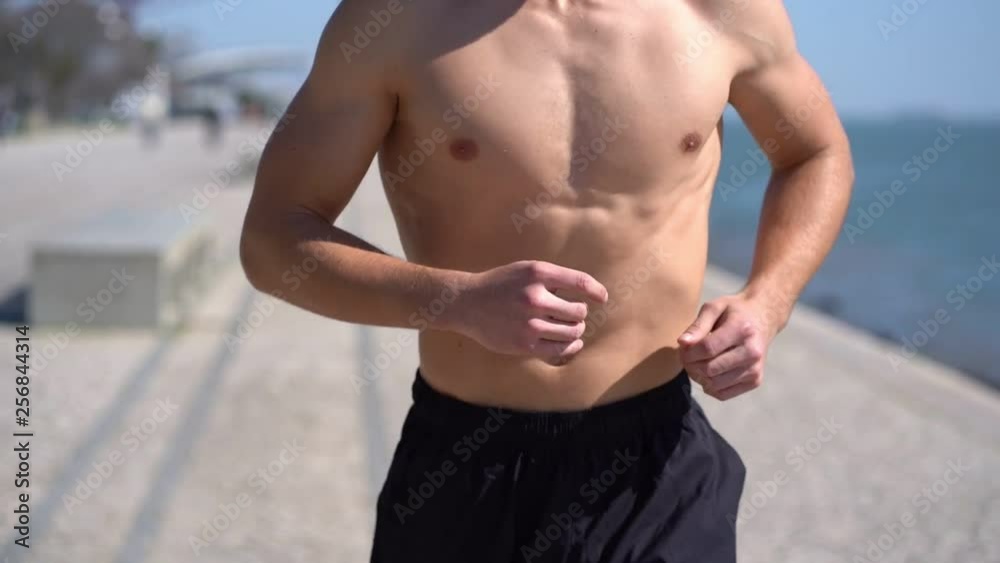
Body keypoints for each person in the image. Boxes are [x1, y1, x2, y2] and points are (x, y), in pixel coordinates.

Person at [239, 0, 854, 560]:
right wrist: (454, 301)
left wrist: (766, 303)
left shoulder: (720, 11)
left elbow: (815, 152)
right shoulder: (394, 21)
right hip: (463, 463)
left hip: (658, 466)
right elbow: (273, 237)